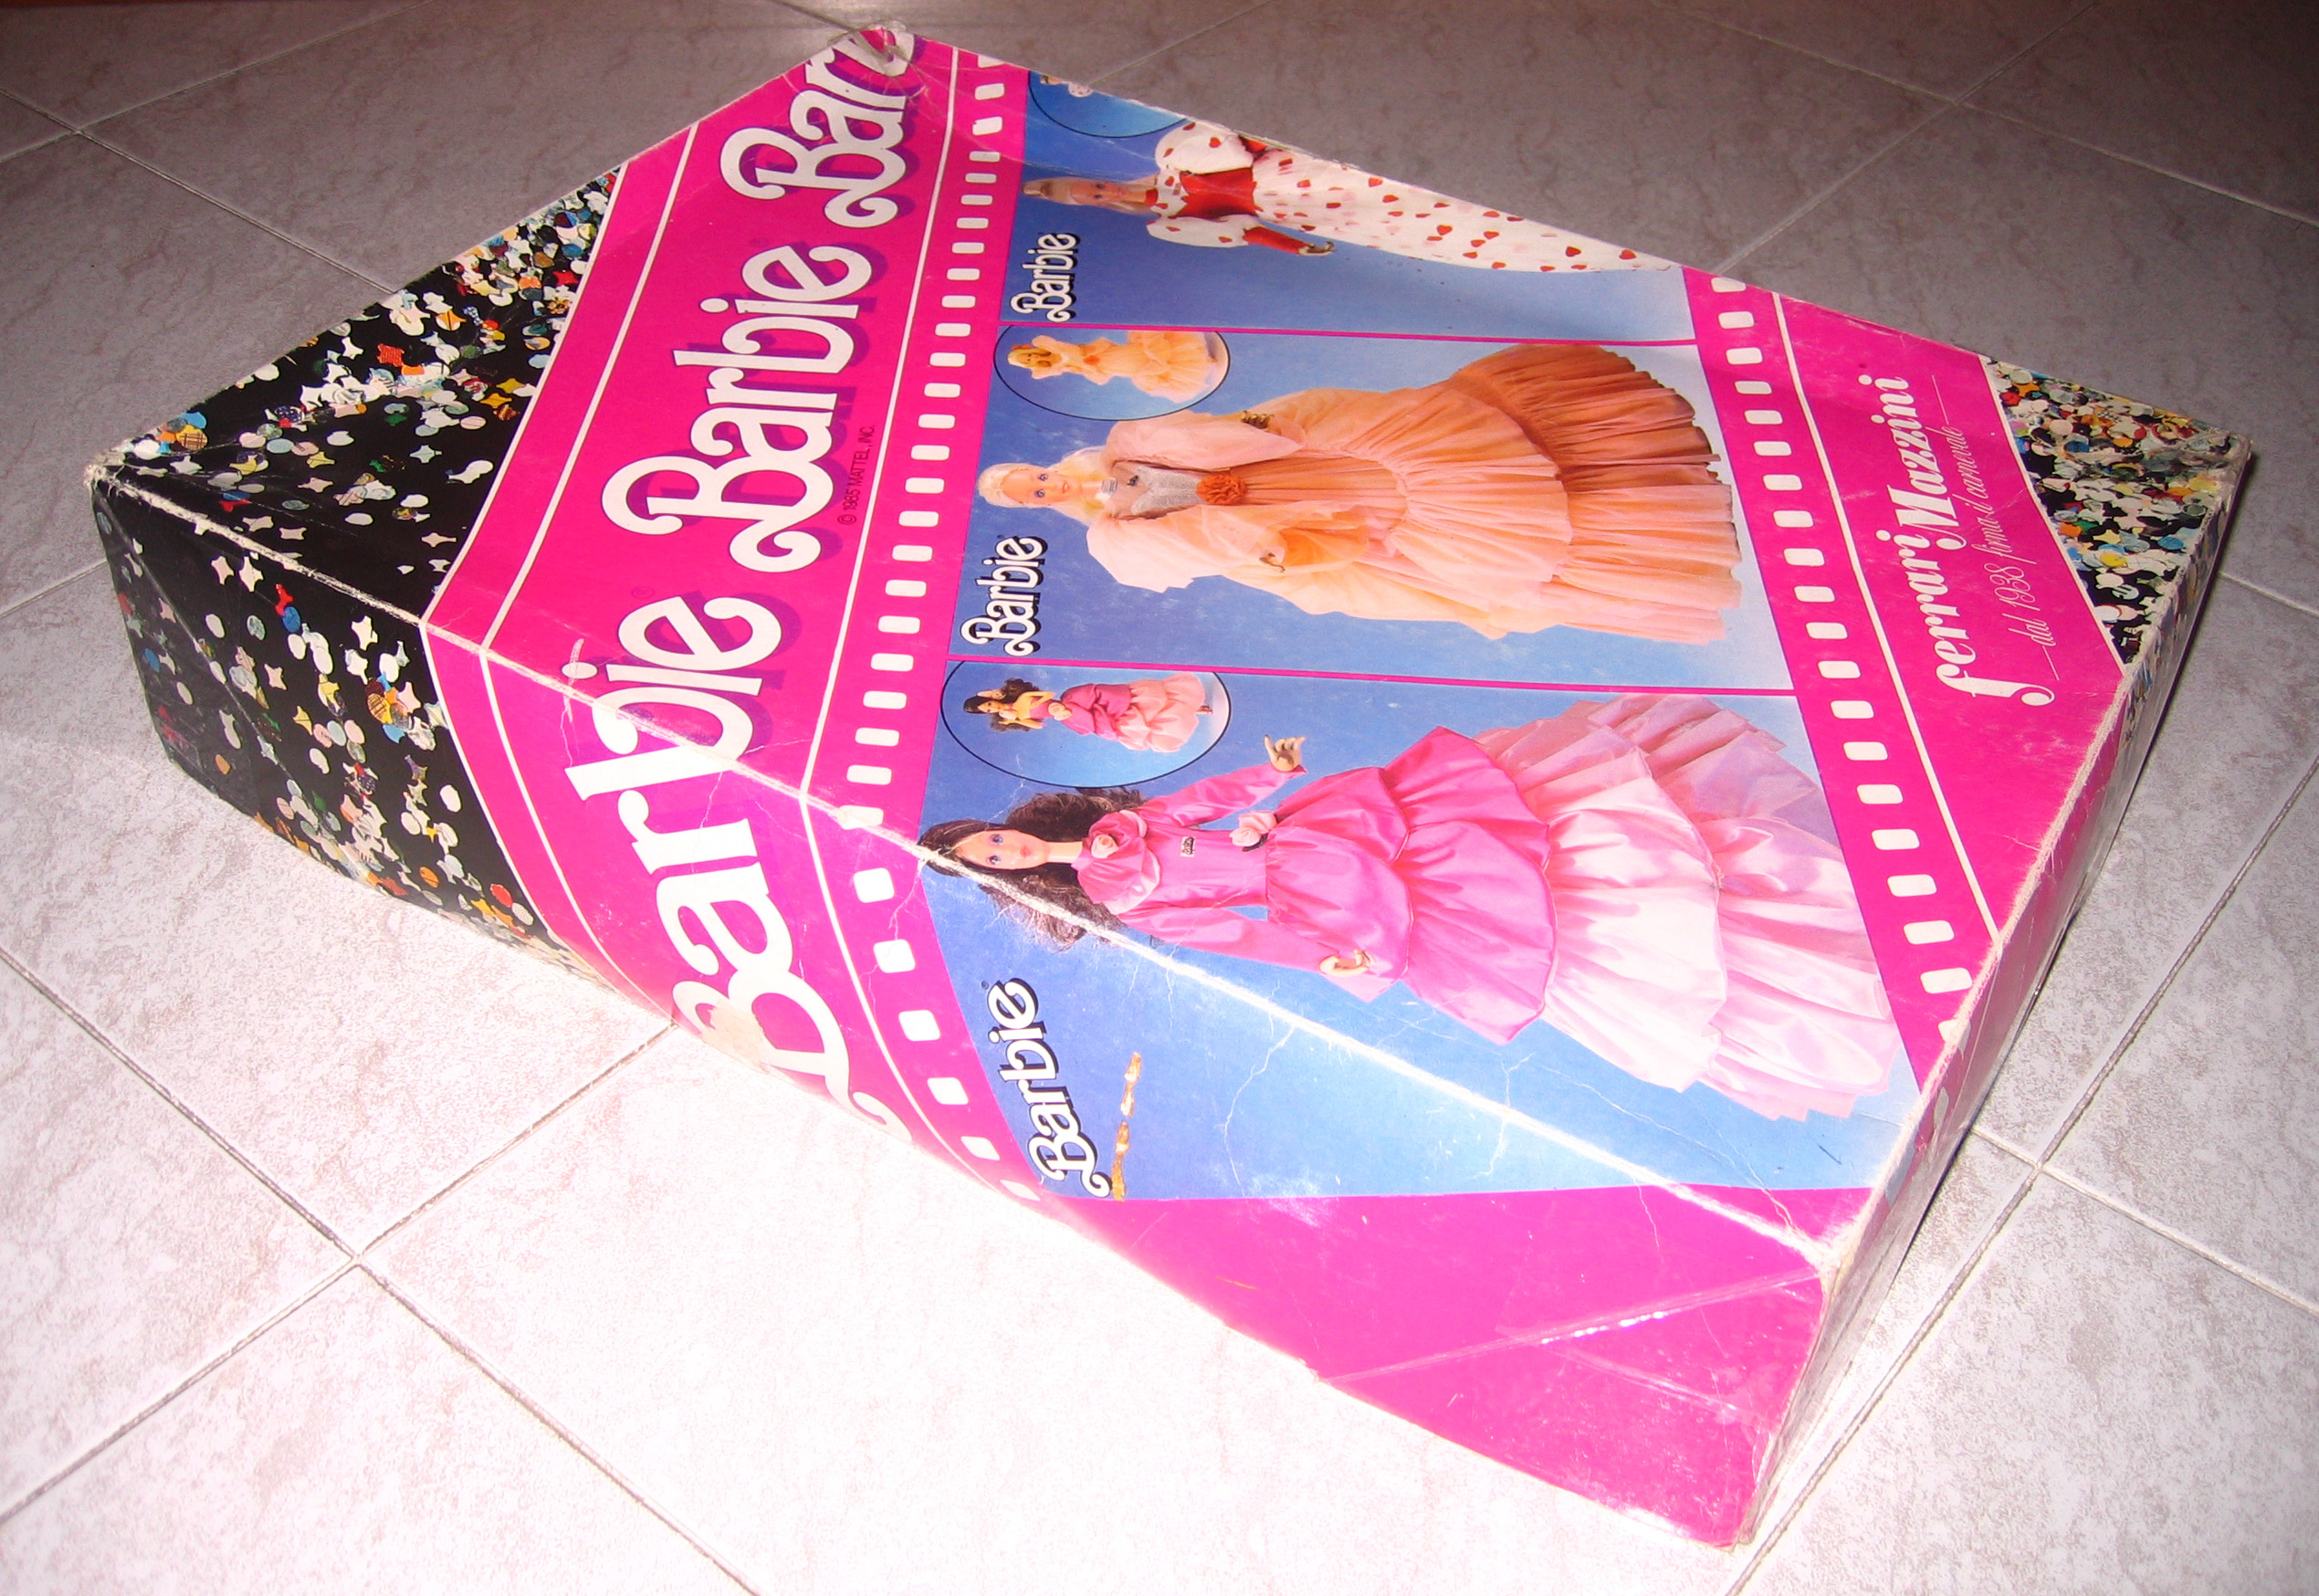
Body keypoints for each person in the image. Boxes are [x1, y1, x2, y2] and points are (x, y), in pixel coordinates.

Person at [922, 695, 1899, 1121]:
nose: (1005, 852)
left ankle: (1713, 862)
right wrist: (1324, 957)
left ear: (1010, 830)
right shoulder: (1122, 897)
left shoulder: (1113, 827)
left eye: (993, 840)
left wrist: (1267, 781)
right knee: (1519, 917)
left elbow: (1200, 802)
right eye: (992, 863)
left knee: (1521, 823)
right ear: (1011, 881)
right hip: (1315, 895)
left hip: (1313, 828)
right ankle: (1771, 937)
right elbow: (1233, 934)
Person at [977, 342, 1741, 643]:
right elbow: (1217, 551)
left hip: (1301, 466)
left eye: (1030, 476)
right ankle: (1658, 507)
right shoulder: (1113, 538)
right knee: (1494, 544)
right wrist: (1280, 551)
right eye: (1031, 496)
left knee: (1479, 453)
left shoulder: (1128, 444)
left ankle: (1633, 455)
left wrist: (1262, 437)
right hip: (1302, 519)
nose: (1042, 487)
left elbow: (1230, 434)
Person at [1023, 119, 1671, 273]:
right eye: (1093, 197)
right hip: (1306, 211)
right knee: (1441, 225)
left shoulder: (1173, 156)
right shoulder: (1166, 224)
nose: (1103, 191)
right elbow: (1243, 232)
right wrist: (1298, 249)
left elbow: (1244, 135)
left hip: (1310, 174)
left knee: (1428, 175)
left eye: (1094, 183)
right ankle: (1611, 238)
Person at [962, 673, 1211, 752]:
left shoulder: (1021, 698)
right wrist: (1014, 720)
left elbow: (1047, 696)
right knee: (1125, 721)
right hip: (1069, 716)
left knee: (1129, 703)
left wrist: (1055, 706)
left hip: (1071, 702)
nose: (991, 708)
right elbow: (1038, 724)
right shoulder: (1014, 716)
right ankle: (1194, 711)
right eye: (987, 710)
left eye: (988, 704)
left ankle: (1194, 706)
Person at [1005, 331, 1227, 404]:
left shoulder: (1052, 347)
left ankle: (1203, 357)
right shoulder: (1054, 366)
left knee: (1143, 354)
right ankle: (1206, 364)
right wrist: (1085, 366)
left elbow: (1074, 347)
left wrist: (1087, 356)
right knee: (1141, 368)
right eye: (1028, 361)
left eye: (1028, 355)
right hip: (1102, 366)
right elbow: (1040, 374)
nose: (1031, 358)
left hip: (1101, 354)